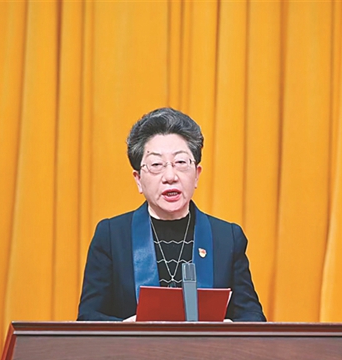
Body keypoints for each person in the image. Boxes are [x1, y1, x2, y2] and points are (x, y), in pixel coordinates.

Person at [77, 107, 266, 322]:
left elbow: (253, 318)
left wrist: (227, 329)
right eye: (156, 165)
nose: (170, 176)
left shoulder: (226, 237)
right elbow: (88, 317)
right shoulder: (112, 236)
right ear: (138, 179)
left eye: (181, 163)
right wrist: (125, 328)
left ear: (197, 174)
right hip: (134, 345)